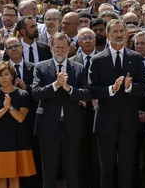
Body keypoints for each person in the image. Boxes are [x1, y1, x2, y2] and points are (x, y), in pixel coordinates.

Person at [88, 19, 145, 188]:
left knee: (127, 167)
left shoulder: (135, 58)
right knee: (106, 167)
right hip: (105, 122)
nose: (119, 34)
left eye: (121, 31)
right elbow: (92, 88)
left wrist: (130, 87)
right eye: (115, 31)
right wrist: (111, 89)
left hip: (128, 121)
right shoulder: (98, 59)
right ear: (107, 35)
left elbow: (143, 86)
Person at [32, 32, 91, 188]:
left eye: (63, 48)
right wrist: (56, 85)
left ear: (69, 49)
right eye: (56, 47)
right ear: (51, 48)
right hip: (48, 126)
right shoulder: (41, 67)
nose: (60, 51)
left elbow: (86, 94)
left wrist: (68, 88)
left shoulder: (78, 68)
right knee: (49, 171)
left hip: (71, 126)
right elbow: (36, 94)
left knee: (72, 170)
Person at [0, 61, 36, 188]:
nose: (4, 78)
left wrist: (9, 107)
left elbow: (20, 118)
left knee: (15, 177)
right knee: (0, 177)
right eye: (0, 75)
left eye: (6, 74)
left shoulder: (23, 94)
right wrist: (4, 109)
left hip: (17, 139)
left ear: (12, 76)